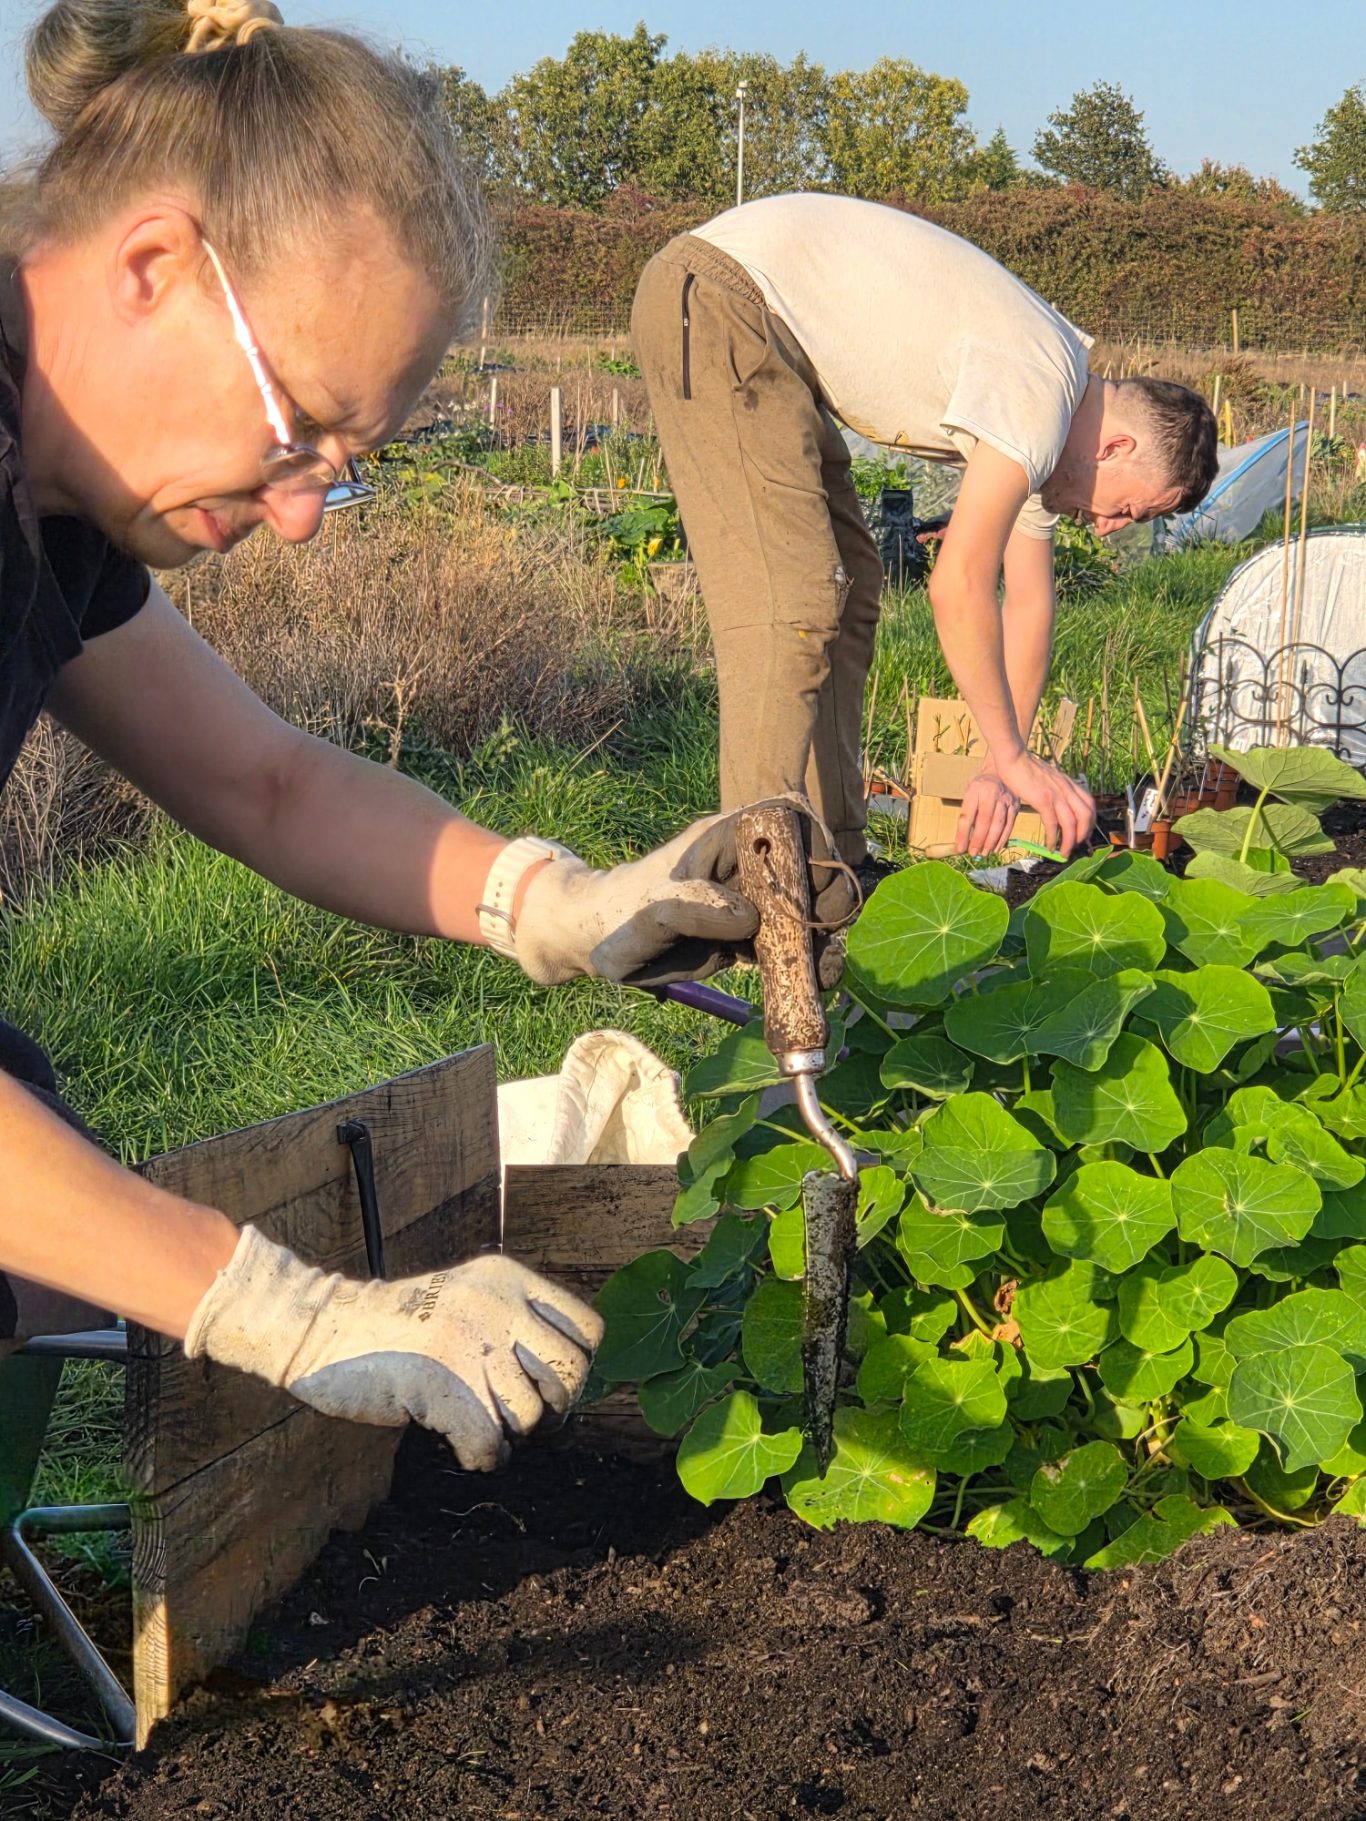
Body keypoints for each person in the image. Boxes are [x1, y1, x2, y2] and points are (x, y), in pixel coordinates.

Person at [0, 0, 776, 1475]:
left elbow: (263, 775)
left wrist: (549, 901)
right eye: (295, 425)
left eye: (338, 468)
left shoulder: (60, 499)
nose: (297, 511)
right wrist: (273, 1308)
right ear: (153, 267)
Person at [631, 192, 1220, 870]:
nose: (1113, 528)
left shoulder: (1050, 426)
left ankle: (835, 863)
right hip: (718, 299)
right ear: (1114, 449)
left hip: (766, 336)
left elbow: (1026, 602)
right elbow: (959, 584)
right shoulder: (1038, 392)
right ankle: (761, 880)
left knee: (849, 583)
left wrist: (1006, 762)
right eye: (1132, 510)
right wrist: (1011, 754)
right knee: (790, 595)